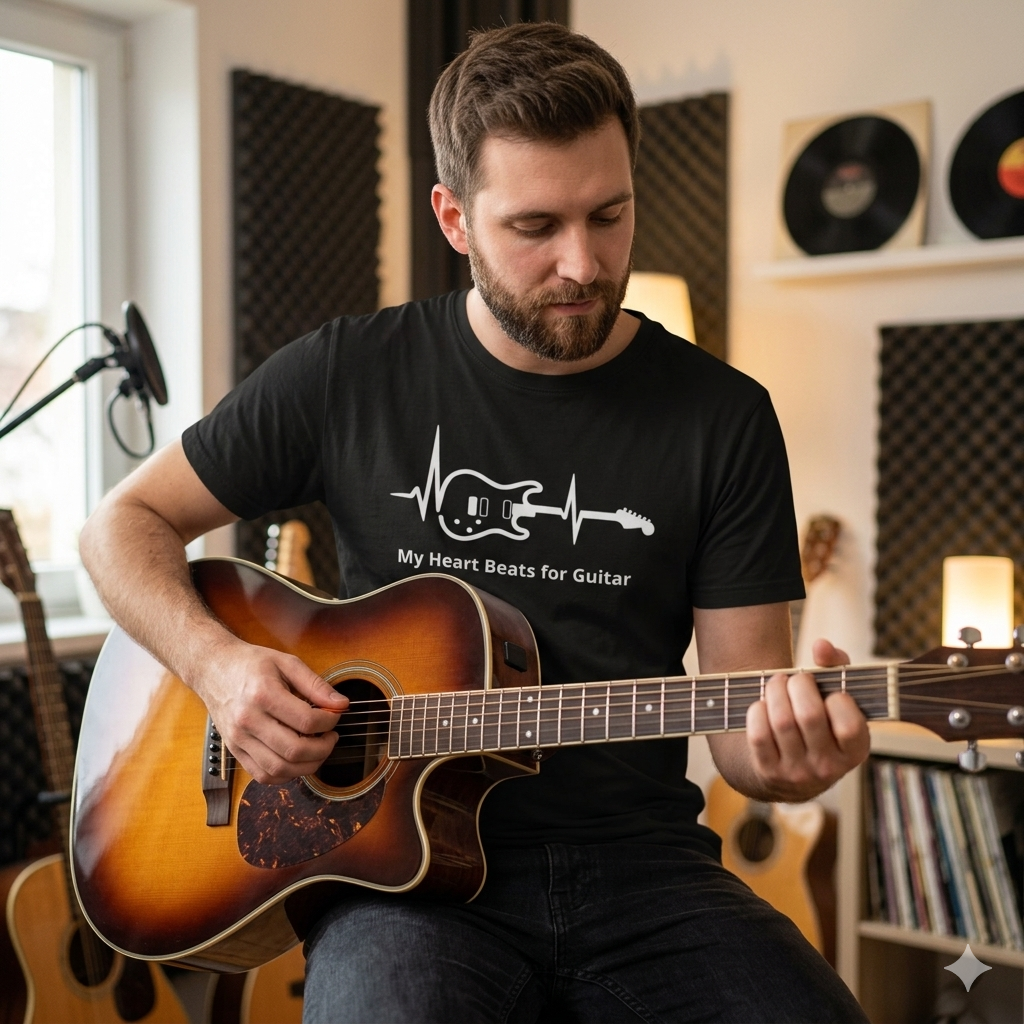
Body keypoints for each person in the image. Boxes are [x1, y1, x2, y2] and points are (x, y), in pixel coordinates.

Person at [81, 22, 870, 1024]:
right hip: (399, 884)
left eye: (610, 214)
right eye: (535, 227)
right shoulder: (346, 373)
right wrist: (216, 666)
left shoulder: (723, 417)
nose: (583, 263)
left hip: (645, 875)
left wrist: (795, 760)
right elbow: (122, 522)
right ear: (453, 218)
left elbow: (747, 737)